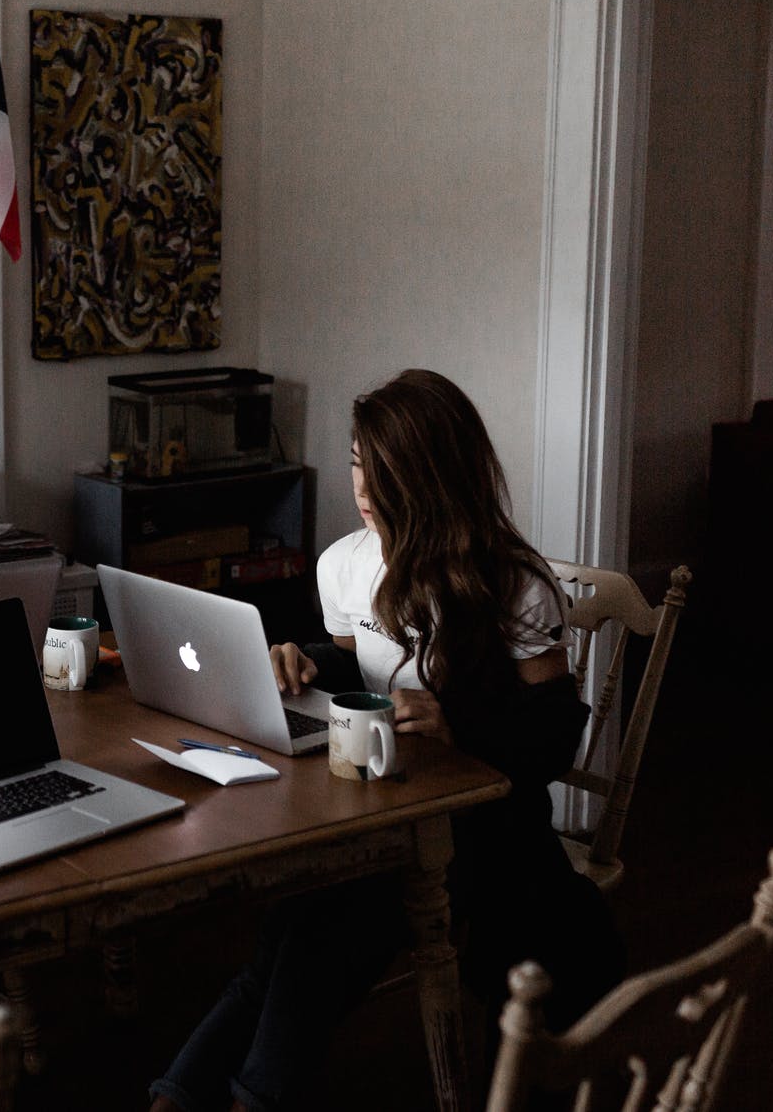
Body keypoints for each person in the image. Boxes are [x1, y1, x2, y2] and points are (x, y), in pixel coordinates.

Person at [148, 369, 622, 1112]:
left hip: (480, 828)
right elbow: (359, 660)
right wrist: (303, 659)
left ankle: (240, 1096)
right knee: (292, 926)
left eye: (384, 467)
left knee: (315, 929)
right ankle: (183, 1093)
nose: (362, 485)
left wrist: (457, 723)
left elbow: (557, 731)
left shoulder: (512, 583)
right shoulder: (344, 564)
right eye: (356, 459)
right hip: (379, 804)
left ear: (433, 473)